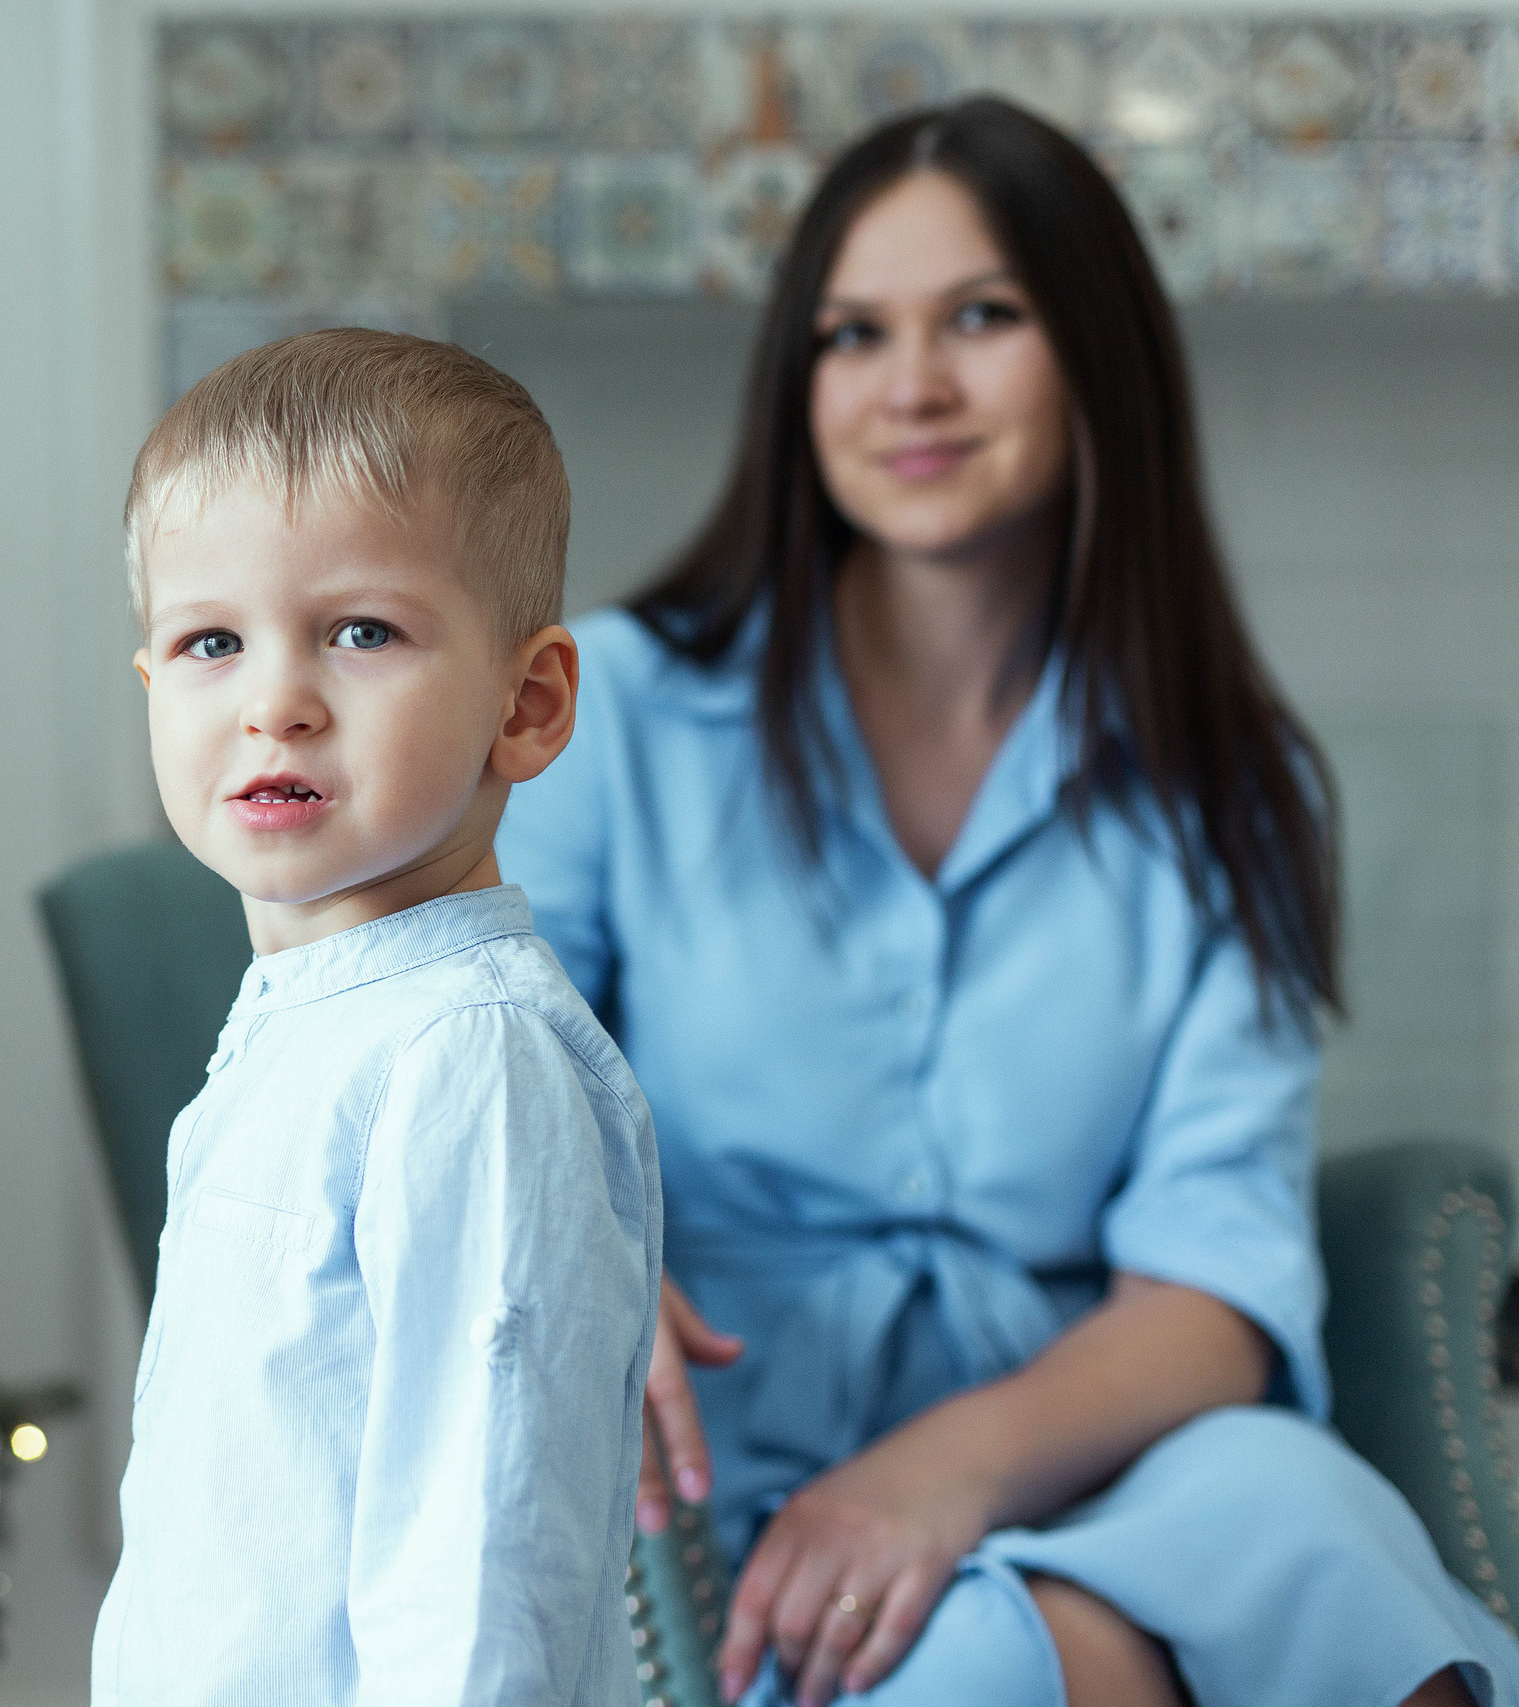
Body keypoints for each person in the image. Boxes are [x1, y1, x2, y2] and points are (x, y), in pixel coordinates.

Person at [498, 98, 1519, 1707]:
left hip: (1088, 1454)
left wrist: (949, 1474)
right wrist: (572, 1249)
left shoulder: (1236, 785)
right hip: (717, 1502)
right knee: (1025, 1658)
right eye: (853, 333)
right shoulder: (606, 714)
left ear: (1096, 353)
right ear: (799, 382)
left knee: (1330, 1539)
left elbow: (1217, 1284)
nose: (912, 385)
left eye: (983, 315)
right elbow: (491, 1077)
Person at [91, 328, 664, 1703]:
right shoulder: (301, 1034)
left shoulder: (467, 1059)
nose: (276, 702)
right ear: (156, 689)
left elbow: (476, 1571)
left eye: (361, 633)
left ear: (526, 708)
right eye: (212, 641)